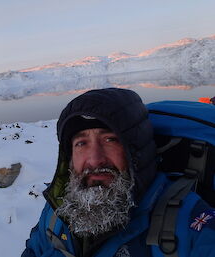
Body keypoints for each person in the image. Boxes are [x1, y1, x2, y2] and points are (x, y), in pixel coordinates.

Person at [22, 88, 215, 257]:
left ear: (137, 151)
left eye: (110, 140)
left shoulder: (189, 225)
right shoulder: (57, 212)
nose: (95, 159)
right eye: (81, 143)